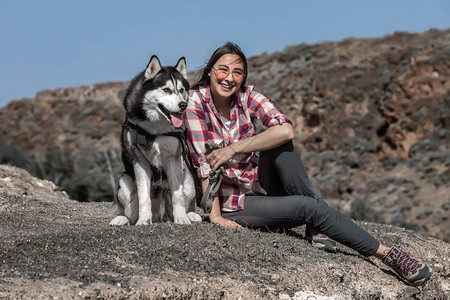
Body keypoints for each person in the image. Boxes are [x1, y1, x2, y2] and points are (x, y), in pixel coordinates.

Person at [183, 42, 432, 286]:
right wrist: (215, 216)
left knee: (281, 144)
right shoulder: (195, 102)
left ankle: (316, 224)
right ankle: (387, 254)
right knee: (309, 207)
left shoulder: (247, 95)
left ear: (243, 77)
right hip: (233, 202)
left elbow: (286, 130)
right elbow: (204, 163)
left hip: (258, 184)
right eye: (222, 70)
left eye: (237, 72)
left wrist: (234, 148)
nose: (229, 78)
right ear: (211, 72)